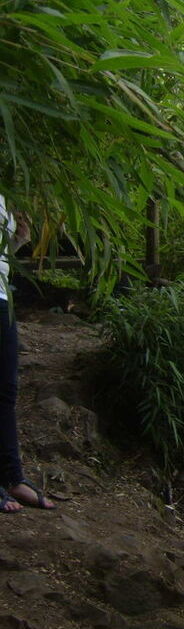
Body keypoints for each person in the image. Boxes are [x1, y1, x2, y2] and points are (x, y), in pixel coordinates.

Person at [0, 194, 55, 513]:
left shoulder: (3, 195)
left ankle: (12, 477)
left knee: (6, 391)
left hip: (2, 297)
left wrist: (18, 240)